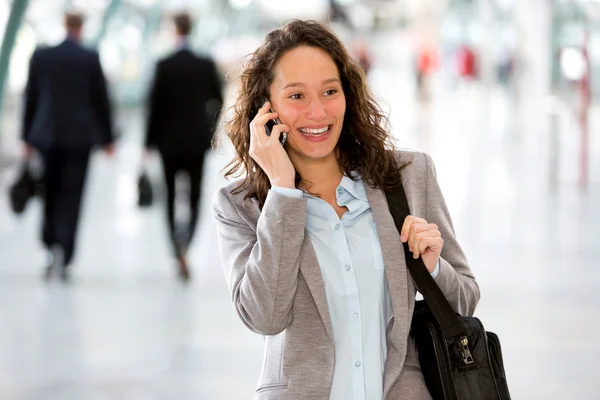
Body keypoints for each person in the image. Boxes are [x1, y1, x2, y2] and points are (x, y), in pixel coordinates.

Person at [212, 20, 480, 399]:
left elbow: (464, 300)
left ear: (348, 94)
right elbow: (265, 316)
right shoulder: (242, 205)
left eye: (329, 91)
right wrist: (284, 194)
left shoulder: (408, 176)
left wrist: (433, 266)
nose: (318, 112)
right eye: (297, 96)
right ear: (266, 109)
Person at [22, 11, 114, 282]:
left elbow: (31, 98)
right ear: (81, 28)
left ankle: (49, 246)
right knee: (72, 196)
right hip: (79, 139)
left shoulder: (42, 56)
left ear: (64, 26)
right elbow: (101, 101)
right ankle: (66, 250)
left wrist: (26, 137)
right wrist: (108, 139)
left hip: (47, 137)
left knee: (48, 192)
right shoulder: (89, 58)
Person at [145, 12, 223, 281]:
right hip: (196, 141)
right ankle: (187, 243)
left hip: (167, 142)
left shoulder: (164, 65)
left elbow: (153, 107)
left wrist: (148, 143)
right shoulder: (204, 64)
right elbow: (218, 100)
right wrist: (210, 130)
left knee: (168, 195)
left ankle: (175, 248)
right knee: (194, 196)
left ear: (173, 30)